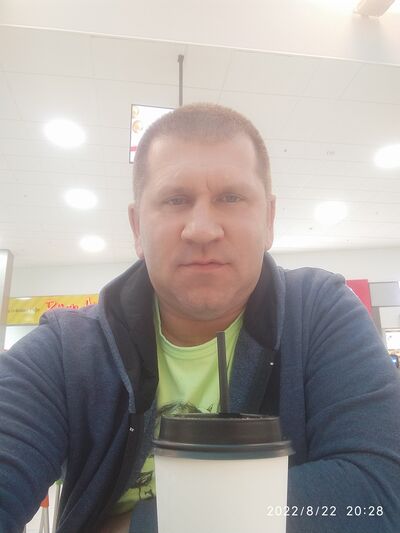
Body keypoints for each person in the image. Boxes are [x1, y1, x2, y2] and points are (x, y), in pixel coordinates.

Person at [1, 103, 400, 533]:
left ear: (269, 219)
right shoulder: (67, 353)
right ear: (137, 228)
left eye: (231, 197)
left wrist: (132, 527)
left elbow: (383, 495)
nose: (203, 229)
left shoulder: (319, 313)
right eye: (176, 199)